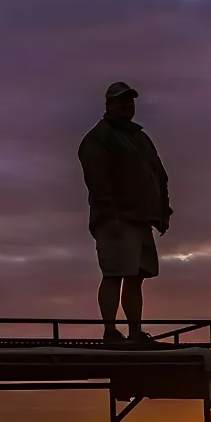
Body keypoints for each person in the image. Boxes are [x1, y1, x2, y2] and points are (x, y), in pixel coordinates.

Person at [78, 81, 173, 345]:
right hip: (116, 220)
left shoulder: (139, 137)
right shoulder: (98, 138)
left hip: (141, 219)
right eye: (122, 101)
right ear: (109, 105)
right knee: (114, 274)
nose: (128, 105)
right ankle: (110, 331)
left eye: (130, 101)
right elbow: (98, 180)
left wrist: (163, 211)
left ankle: (135, 332)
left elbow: (159, 174)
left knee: (135, 277)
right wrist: (110, 215)